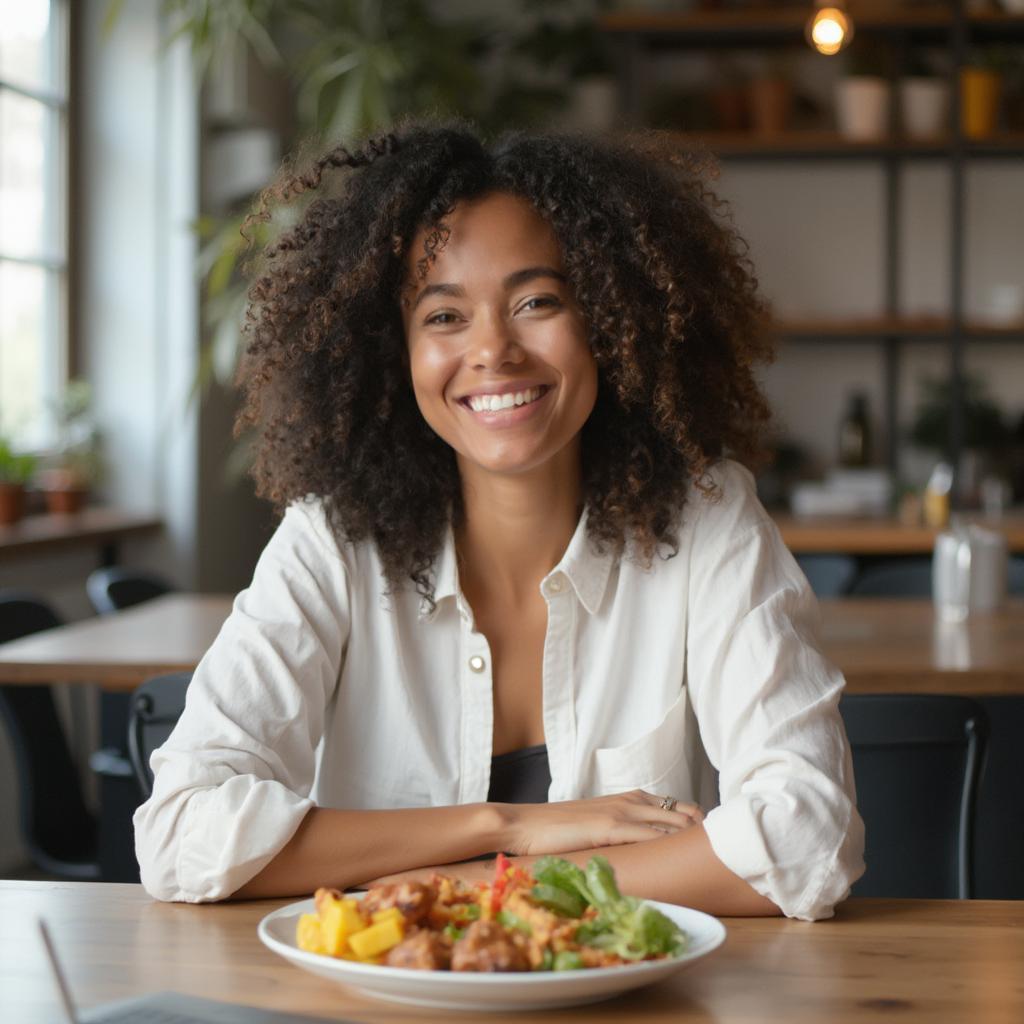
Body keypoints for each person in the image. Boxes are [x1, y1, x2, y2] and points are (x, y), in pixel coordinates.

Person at [134, 120, 864, 920]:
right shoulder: (332, 543)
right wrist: (511, 827)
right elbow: (178, 834)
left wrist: (481, 883)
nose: (493, 350)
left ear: (612, 322)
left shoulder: (707, 520)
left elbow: (808, 837)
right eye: (445, 317)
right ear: (395, 352)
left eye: (537, 302)